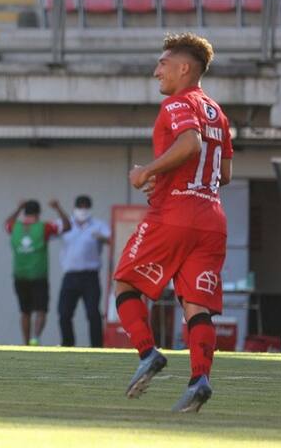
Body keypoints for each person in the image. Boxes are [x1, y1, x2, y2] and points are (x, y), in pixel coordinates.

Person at [113, 33, 233, 413]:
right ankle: (200, 378)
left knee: (125, 281)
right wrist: (168, 178)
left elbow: (191, 145)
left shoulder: (178, 105)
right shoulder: (218, 111)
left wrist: (146, 171)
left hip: (175, 214)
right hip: (212, 217)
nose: (156, 72)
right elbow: (224, 172)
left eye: (162, 64)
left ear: (184, 68)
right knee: (196, 306)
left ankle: (148, 354)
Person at [5, 199, 70, 345]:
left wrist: (17, 209)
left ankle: (25, 342)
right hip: (38, 275)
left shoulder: (15, 227)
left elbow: (6, 223)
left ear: (24, 212)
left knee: (25, 311)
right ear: (39, 213)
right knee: (41, 310)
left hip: (19, 275)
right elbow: (67, 226)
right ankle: (35, 337)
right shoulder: (44, 227)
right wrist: (58, 208)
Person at [57, 195, 110, 348]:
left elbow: (112, 239)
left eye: (86, 206)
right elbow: (50, 232)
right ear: (75, 208)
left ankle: (97, 346)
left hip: (90, 276)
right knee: (64, 313)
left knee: (93, 313)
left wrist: (102, 238)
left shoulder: (98, 225)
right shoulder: (67, 224)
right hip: (70, 275)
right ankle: (68, 344)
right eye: (80, 206)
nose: (83, 209)